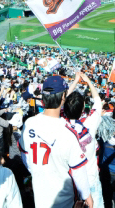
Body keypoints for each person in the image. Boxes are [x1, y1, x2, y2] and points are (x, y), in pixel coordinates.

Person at [20, 75, 94, 208]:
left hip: (40, 193)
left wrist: (38, 171)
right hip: (63, 198)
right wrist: (87, 196)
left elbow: (26, 157)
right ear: (63, 98)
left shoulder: (29, 123)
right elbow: (78, 171)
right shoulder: (68, 132)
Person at [64, 72, 104, 208]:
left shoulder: (61, 124)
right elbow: (98, 101)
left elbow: (60, 102)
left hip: (69, 181)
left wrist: (75, 81)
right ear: (82, 110)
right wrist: (87, 80)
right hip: (90, 179)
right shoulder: (89, 123)